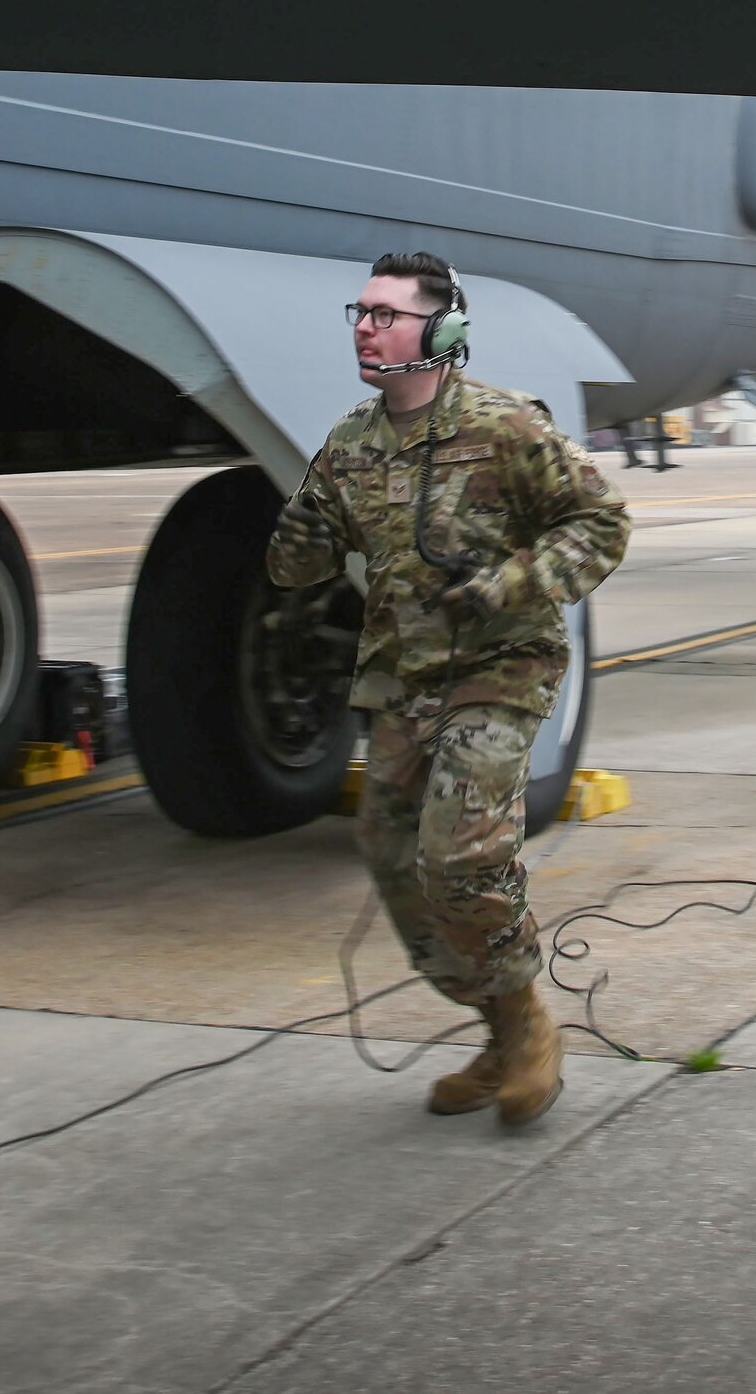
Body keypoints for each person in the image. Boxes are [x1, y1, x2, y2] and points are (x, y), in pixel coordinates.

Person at [265, 252, 632, 1126]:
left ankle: (529, 1021)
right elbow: (296, 559)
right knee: (395, 863)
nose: (365, 325)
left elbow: (602, 521)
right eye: (360, 311)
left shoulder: (506, 427)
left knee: (459, 856)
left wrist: (514, 579)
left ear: (443, 332)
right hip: (403, 679)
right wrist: (296, 532)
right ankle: (498, 1027)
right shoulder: (352, 442)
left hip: (500, 669)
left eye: (386, 313)